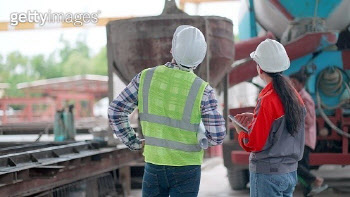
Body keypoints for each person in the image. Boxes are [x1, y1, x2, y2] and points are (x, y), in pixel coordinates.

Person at [108, 25, 226, 197]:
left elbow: (116, 111)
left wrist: (133, 141)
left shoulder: (146, 77)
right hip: (187, 167)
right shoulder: (203, 90)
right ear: (200, 59)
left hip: (154, 164)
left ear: (172, 49)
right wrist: (202, 137)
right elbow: (217, 136)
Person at [233, 39, 306, 197]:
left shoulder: (267, 99)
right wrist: (256, 117)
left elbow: (255, 143)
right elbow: (283, 127)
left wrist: (241, 132)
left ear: (259, 68)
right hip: (289, 173)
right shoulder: (294, 96)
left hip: (268, 175)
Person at [290, 70, 328, 196]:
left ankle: (315, 180)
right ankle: (309, 189)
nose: (292, 85)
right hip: (300, 138)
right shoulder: (297, 97)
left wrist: (293, 119)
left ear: (301, 83)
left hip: (305, 139)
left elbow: (310, 120)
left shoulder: (305, 99)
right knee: (303, 166)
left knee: (295, 164)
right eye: (291, 82)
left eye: (294, 82)